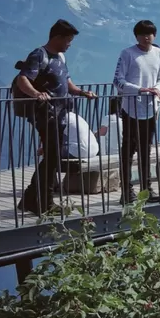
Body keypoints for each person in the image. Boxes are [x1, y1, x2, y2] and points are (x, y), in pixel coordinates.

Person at [13, 19, 97, 216]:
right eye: (68, 40)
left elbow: (65, 81)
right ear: (57, 38)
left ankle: (29, 199)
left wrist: (80, 92)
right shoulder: (39, 55)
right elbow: (23, 78)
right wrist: (36, 94)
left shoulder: (60, 57)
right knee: (52, 157)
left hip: (59, 114)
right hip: (45, 113)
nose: (69, 44)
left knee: (52, 157)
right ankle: (44, 203)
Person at [114, 20, 160, 205]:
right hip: (131, 108)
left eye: (150, 33)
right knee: (128, 151)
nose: (146, 37)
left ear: (155, 35)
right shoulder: (127, 54)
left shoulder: (159, 53)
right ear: (136, 36)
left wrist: (157, 89)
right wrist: (139, 90)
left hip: (151, 109)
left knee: (146, 150)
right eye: (142, 34)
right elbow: (118, 81)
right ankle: (126, 191)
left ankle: (146, 189)